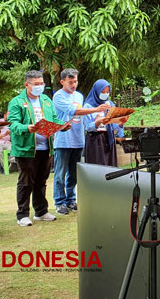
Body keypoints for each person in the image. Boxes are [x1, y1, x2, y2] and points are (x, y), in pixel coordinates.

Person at [7, 70, 69, 227]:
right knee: (26, 181)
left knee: (41, 180)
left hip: (45, 148)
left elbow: (53, 119)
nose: (39, 87)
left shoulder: (46, 100)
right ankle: (22, 214)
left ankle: (41, 211)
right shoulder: (17, 102)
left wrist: (62, 126)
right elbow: (13, 124)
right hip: (26, 148)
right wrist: (27, 128)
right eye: (36, 84)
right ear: (26, 85)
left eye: (41, 84)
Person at [53, 68, 110, 215]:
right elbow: (76, 112)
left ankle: (71, 200)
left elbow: (83, 118)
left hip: (78, 140)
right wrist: (96, 109)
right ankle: (59, 202)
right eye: (70, 82)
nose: (74, 84)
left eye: (75, 81)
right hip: (63, 141)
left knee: (74, 173)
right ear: (62, 82)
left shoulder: (79, 96)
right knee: (60, 173)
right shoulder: (58, 97)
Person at [83, 79, 126, 167]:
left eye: (107, 91)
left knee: (110, 166)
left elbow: (114, 125)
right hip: (95, 140)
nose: (105, 94)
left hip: (108, 138)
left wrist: (120, 123)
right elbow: (87, 126)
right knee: (97, 167)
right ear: (96, 91)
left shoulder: (110, 104)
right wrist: (98, 122)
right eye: (103, 91)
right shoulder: (88, 106)